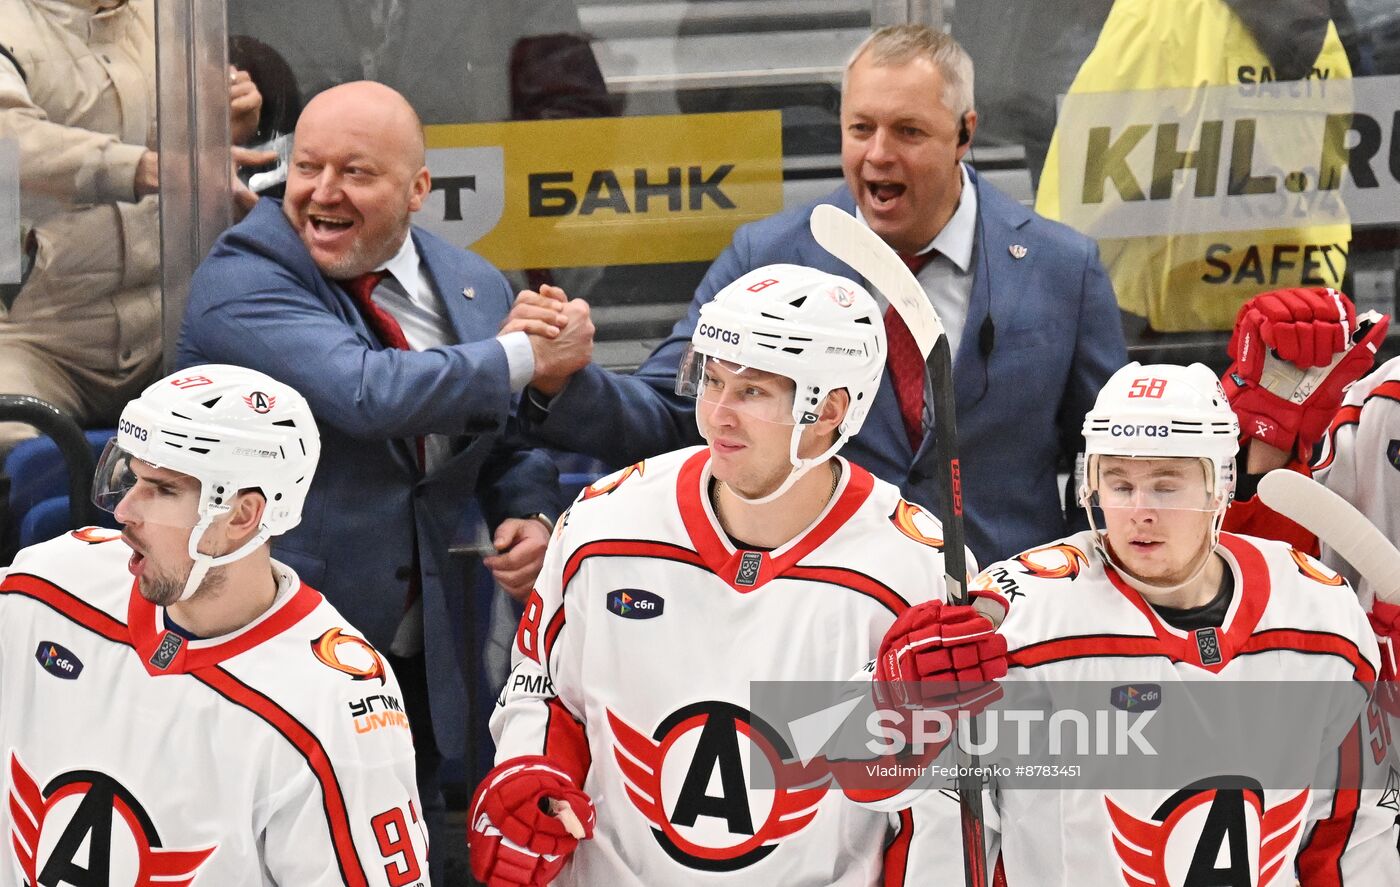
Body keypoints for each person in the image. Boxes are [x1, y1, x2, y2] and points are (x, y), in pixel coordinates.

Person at [510, 24, 1127, 567]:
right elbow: (672, 414)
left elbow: (1109, 457)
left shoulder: (1060, 268)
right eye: (861, 128)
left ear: (965, 134)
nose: (878, 154)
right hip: (817, 606)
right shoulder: (770, 255)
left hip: (1003, 621)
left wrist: (1069, 586)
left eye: (908, 131)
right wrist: (561, 381)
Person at [176, 80, 571, 879]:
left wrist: (524, 508)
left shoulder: (471, 281)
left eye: (355, 173)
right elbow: (368, 393)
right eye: (307, 166)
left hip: (411, 648)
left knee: (405, 848)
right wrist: (530, 354)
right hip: (265, 648)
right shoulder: (243, 275)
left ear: (419, 189)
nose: (322, 192)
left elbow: (501, 434)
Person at [469, 264, 969, 886]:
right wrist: (527, 771)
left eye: (754, 391)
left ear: (830, 410)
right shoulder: (604, 523)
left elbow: (940, 803)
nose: (718, 414)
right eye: (711, 380)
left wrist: (918, 734)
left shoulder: (914, 567)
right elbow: (543, 686)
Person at [877, 361, 1400, 883]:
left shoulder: (1320, 616)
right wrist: (891, 700)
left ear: (1220, 485)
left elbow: (1355, 828)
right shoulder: (1021, 618)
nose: (1138, 512)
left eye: (1166, 486)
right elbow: (858, 777)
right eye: (1120, 485)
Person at [0, 364, 430, 884]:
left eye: (161, 489)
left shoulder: (332, 701)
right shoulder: (50, 587)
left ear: (244, 516)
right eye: (130, 476)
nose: (125, 510)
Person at [0, 0, 263, 449]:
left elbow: (192, 150)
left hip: (166, 331)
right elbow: (11, 140)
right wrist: (145, 169)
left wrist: (226, 123)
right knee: (15, 443)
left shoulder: (170, 16)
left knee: (266, 423)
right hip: (34, 339)